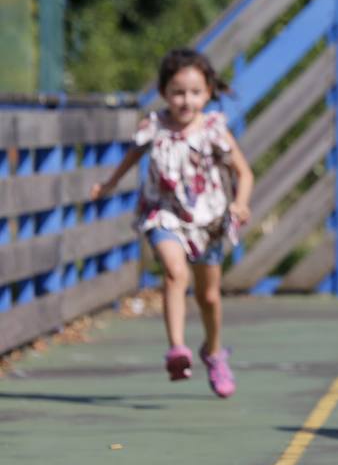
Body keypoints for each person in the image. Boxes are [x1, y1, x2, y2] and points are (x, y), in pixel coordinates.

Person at [91, 48, 254, 398]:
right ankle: (177, 348)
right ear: (164, 92)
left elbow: (243, 171)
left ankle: (212, 352)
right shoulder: (154, 127)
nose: (186, 100)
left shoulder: (213, 129)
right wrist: (109, 184)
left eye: (195, 92)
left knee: (209, 296)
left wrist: (240, 203)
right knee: (174, 272)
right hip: (163, 212)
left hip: (207, 221)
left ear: (208, 92)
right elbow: (130, 157)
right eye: (178, 92)